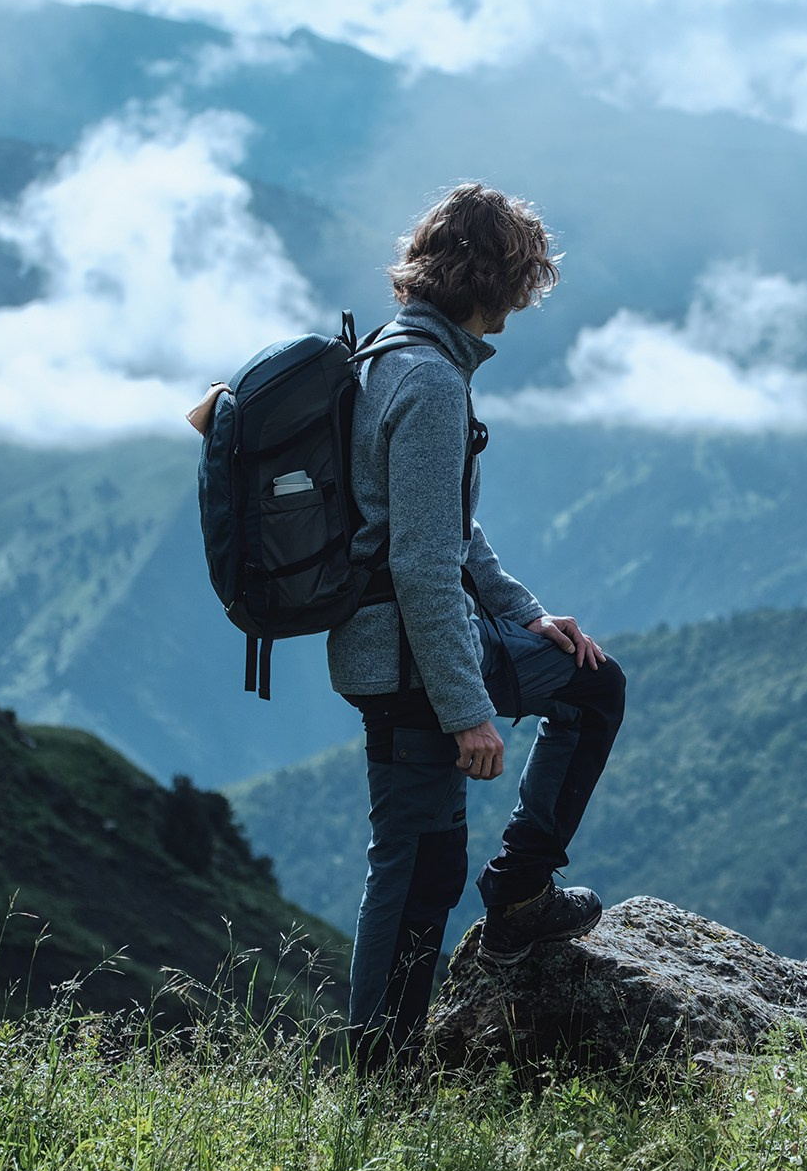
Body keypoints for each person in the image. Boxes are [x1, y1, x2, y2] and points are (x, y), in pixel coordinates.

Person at [192, 183, 627, 1073]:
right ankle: (475, 952)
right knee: (420, 862)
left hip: (390, 650)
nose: (523, 298)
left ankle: (488, 933)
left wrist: (526, 615)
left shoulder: (391, 354)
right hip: (415, 659)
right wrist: (468, 710)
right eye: (523, 278)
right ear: (497, 277)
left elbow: (443, 531)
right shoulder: (429, 382)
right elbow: (423, 563)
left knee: (426, 850)